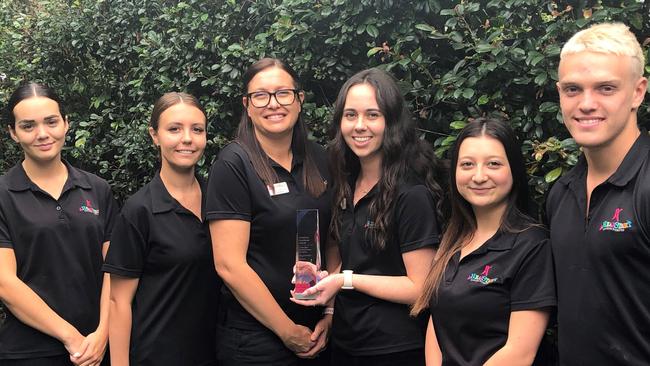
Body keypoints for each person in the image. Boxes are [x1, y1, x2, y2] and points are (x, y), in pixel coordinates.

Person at [292, 68, 445, 365]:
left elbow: (420, 288)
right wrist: (330, 307)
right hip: (346, 344)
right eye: (350, 115)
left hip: (394, 349)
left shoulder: (411, 194)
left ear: (392, 122)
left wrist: (345, 280)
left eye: (372, 115)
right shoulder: (344, 183)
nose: (359, 126)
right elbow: (342, 251)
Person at [206, 58, 332, 365]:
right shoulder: (233, 165)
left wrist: (329, 313)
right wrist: (287, 331)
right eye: (261, 95)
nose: (273, 104)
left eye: (283, 93)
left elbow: (334, 237)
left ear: (300, 100)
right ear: (247, 105)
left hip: (317, 333)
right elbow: (229, 265)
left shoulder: (320, 158)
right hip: (256, 341)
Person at [410, 117, 556, 365]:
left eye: (493, 164)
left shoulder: (532, 245)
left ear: (514, 171)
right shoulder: (454, 239)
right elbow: (439, 319)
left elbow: (520, 354)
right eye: (467, 164)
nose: (478, 176)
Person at [547, 22, 649, 365]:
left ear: (638, 92)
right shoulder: (560, 193)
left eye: (606, 88)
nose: (586, 104)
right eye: (573, 89)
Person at [0, 82, 117, 366]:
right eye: (28, 126)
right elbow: (5, 282)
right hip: (29, 353)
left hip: (97, 350)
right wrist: (72, 338)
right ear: (13, 133)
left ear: (66, 124)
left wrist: (103, 333)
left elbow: (114, 269)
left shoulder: (97, 189)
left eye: (51, 122)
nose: (42, 134)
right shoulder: (3, 194)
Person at [103, 92, 218, 365]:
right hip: (158, 355)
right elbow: (118, 302)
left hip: (217, 353)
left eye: (197, 129)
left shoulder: (219, 200)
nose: (187, 139)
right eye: (174, 129)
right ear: (154, 135)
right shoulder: (139, 210)